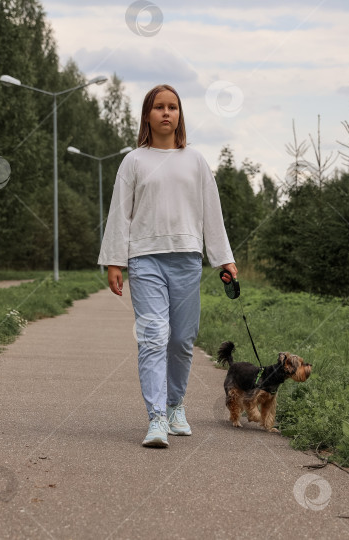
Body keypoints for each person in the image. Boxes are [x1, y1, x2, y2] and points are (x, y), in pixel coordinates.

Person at [98, 84, 237, 448]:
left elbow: (212, 213)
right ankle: (156, 417)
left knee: (181, 340)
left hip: (187, 260)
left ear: (179, 115)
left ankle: (176, 405)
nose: (165, 113)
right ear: (147, 115)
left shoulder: (195, 160)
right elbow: (119, 213)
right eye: (158, 107)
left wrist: (224, 257)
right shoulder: (134, 161)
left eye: (172, 107)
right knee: (154, 336)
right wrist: (114, 260)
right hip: (144, 260)